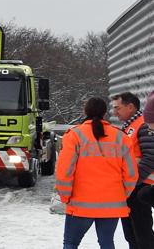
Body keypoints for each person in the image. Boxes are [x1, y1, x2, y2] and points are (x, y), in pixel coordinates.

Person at [55, 97, 137, 249]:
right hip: (111, 204)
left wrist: (65, 196)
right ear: (105, 113)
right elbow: (131, 174)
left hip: (80, 204)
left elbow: (64, 171)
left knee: (71, 243)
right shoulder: (121, 137)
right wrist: (121, 194)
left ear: (84, 111)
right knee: (106, 242)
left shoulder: (74, 135)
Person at [113, 92, 154, 249]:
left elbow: (151, 156)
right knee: (131, 233)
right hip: (132, 186)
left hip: (140, 186)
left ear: (130, 107)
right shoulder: (130, 125)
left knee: (142, 234)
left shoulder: (143, 125)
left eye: (118, 108)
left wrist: (132, 182)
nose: (115, 112)